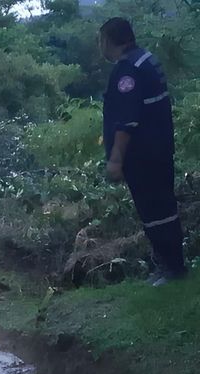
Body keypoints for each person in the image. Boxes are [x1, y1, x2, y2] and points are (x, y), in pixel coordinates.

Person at [100, 17, 187, 285]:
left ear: (108, 40)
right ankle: (170, 265)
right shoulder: (146, 59)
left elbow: (127, 123)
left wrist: (115, 160)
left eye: (99, 39)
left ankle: (172, 269)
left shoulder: (128, 71)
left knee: (155, 213)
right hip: (159, 150)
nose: (98, 46)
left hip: (144, 156)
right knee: (163, 209)